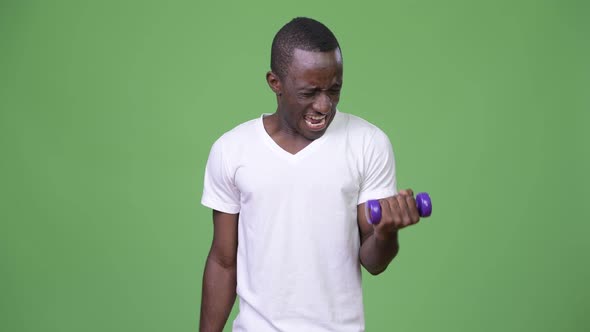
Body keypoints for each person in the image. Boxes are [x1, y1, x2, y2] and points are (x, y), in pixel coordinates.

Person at [199, 17, 421, 332]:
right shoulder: (232, 149)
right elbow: (223, 262)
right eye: (309, 92)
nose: (324, 105)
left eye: (334, 90)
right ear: (275, 82)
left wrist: (386, 233)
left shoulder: (368, 143)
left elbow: (374, 262)